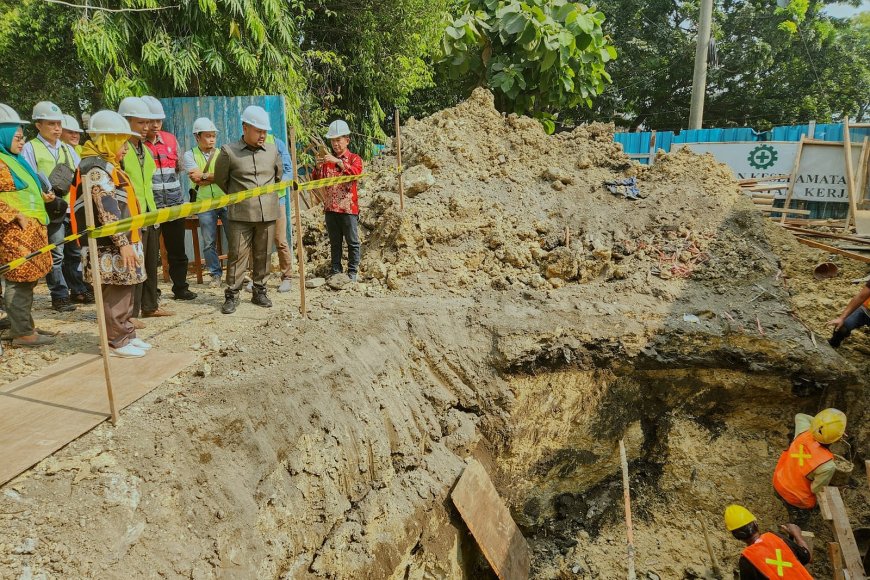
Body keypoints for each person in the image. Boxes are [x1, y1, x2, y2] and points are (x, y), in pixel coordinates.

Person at [69, 110, 149, 358]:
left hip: (121, 239)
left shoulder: (108, 165)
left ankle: (125, 333)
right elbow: (106, 210)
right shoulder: (95, 168)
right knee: (115, 291)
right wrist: (122, 243)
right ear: (108, 139)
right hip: (109, 243)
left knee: (125, 288)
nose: (125, 148)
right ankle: (115, 341)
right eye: (121, 141)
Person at [212, 105, 282, 314]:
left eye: (264, 131)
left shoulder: (272, 150)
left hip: (267, 213)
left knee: (263, 254)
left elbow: (278, 175)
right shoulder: (228, 151)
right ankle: (232, 295)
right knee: (237, 256)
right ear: (245, 127)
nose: (263, 135)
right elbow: (220, 179)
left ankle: (260, 291)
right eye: (258, 131)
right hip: (240, 215)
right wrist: (241, 198)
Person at [21, 100, 89, 311]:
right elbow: (28, 179)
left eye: (58, 124)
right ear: (38, 125)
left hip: (71, 208)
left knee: (75, 252)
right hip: (50, 210)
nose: (57, 129)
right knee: (56, 253)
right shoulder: (31, 148)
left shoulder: (68, 149)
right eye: (51, 124)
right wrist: (42, 195)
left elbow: (80, 174)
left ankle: (78, 290)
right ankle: (59, 295)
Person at [0, 103, 55, 347]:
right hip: (15, 233)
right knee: (18, 279)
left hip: (31, 231)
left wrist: (42, 197)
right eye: (18, 138)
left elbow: (22, 191)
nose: (22, 142)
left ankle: (22, 325)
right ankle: (22, 332)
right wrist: (14, 215)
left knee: (28, 280)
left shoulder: (14, 160)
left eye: (23, 138)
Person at [118, 96, 171, 325]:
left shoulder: (145, 150)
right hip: (130, 217)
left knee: (150, 261)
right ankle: (130, 314)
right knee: (134, 266)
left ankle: (150, 306)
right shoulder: (121, 151)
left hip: (149, 213)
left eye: (147, 123)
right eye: (140, 123)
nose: (146, 127)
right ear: (125, 122)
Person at [141, 96, 196, 301]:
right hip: (151, 208)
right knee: (150, 254)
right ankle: (151, 294)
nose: (155, 125)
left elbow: (179, 168)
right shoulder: (138, 145)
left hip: (174, 204)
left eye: (159, 121)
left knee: (177, 251)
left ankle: (181, 288)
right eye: (151, 120)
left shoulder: (171, 140)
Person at [312, 119, 363, 281]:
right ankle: (335, 271)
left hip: (348, 209)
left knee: (352, 242)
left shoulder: (355, 158)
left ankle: (353, 272)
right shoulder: (327, 162)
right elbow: (316, 180)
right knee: (335, 243)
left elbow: (356, 173)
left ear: (347, 140)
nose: (335, 144)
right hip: (331, 208)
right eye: (333, 140)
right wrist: (318, 167)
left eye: (338, 140)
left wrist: (339, 162)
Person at [772, 409, 846, 520]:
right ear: (838, 439)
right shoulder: (828, 466)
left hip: (779, 482)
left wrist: (820, 427)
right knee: (799, 524)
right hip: (797, 499)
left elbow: (800, 415)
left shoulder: (803, 432)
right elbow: (815, 489)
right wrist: (830, 432)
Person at [183, 116, 226, 286]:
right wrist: (215, 177)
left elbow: (225, 177)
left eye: (213, 135)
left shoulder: (222, 153)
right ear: (197, 137)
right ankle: (215, 274)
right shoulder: (189, 155)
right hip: (204, 203)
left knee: (235, 236)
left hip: (225, 200)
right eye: (208, 135)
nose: (212, 139)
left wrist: (206, 175)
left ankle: (236, 274)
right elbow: (196, 179)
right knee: (209, 242)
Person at [723, 505, 812, 579]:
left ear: (736, 536)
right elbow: (806, 557)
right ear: (755, 524)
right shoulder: (775, 537)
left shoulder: (746, 560)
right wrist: (797, 535)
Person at [266, 133, 294, 292]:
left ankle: (287, 277)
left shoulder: (277, 143)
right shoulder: (246, 145)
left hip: (278, 199)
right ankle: (259, 278)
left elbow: (288, 170)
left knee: (280, 239)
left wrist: (277, 187)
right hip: (257, 201)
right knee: (259, 242)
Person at [827, 280, 870, 347]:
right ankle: (833, 344)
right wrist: (841, 318)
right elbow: (860, 297)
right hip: (865, 311)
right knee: (842, 327)